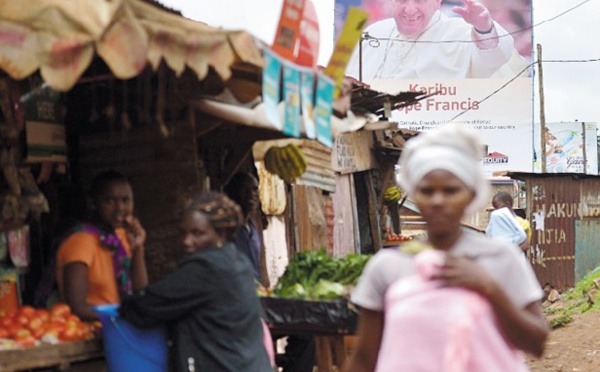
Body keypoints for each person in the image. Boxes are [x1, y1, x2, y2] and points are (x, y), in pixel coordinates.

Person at [342, 124, 548, 371]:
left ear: (471, 195)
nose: (438, 200)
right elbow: (365, 358)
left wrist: (489, 288)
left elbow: (536, 344)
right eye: (427, 191)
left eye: (450, 190)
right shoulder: (389, 266)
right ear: (416, 195)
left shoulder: (499, 257)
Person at [118, 191, 273, 371]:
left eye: (197, 233)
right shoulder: (237, 262)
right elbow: (152, 301)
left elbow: (143, 307)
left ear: (220, 234)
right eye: (183, 233)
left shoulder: (206, 267)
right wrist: (138, 250)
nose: (187, 241)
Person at [345, 0, 527, 80]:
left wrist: (484, 29)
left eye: (420, 1)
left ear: (437, 2)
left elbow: (494, 59)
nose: (409, 9)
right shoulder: (374, 31)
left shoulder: (459, 32)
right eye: (402, 0)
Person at [55, 170, 148, 321]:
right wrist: (123, 316)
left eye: (126, 200)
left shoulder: (122, 237)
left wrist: (138, 248)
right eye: (110, 201)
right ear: (93, 204)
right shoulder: (81, 241)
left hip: (119, 325)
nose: (120, 209)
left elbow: (140, 293)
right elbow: (77, 307)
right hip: (92, 331)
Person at [224, 171, 263, 281]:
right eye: (245, 190)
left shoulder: (253, 228)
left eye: (255, 190)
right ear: (234, 193)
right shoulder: (227, 229)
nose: (251, 194)